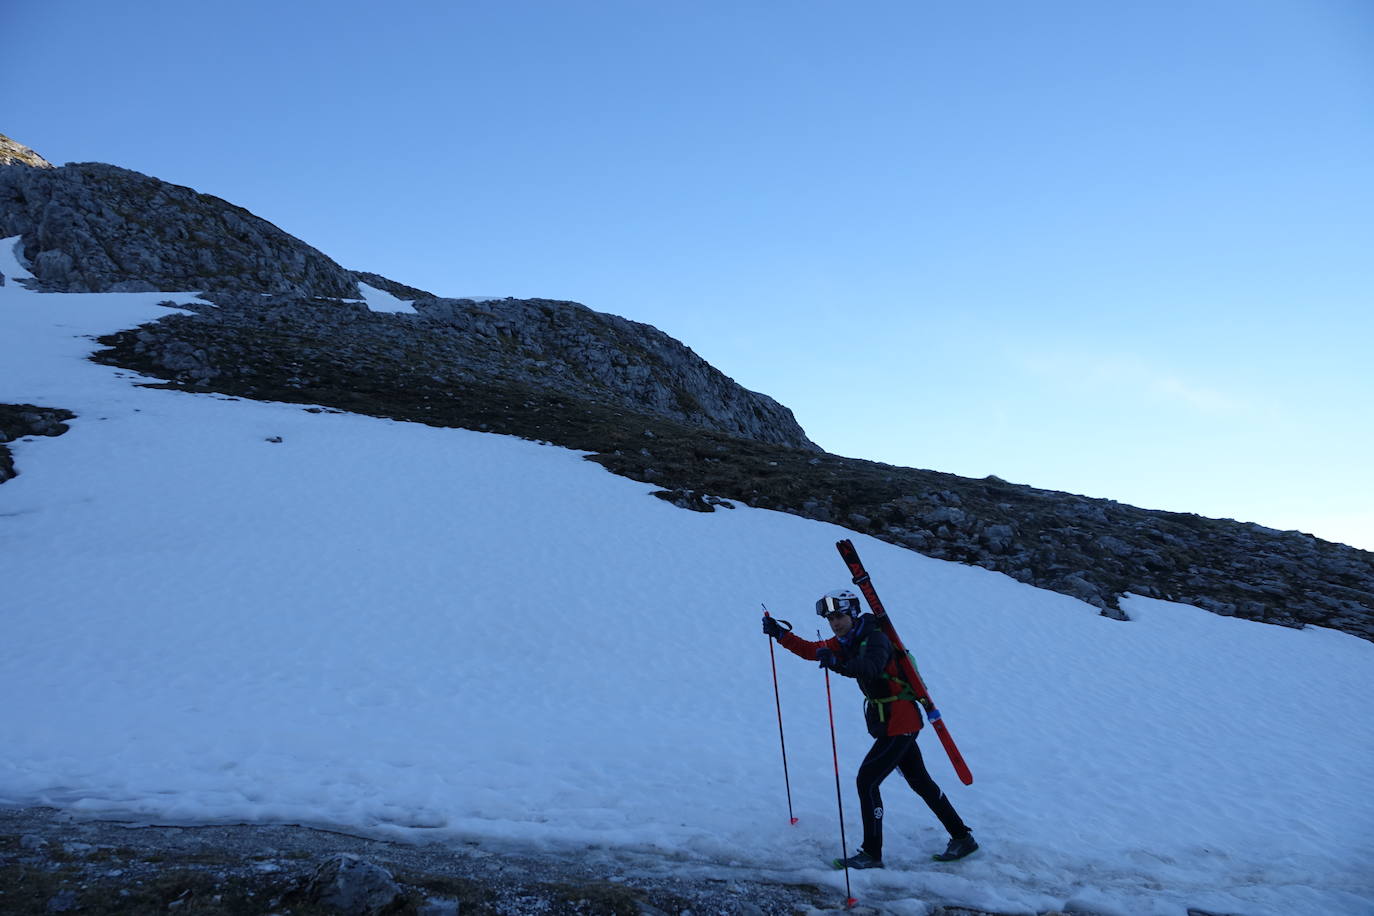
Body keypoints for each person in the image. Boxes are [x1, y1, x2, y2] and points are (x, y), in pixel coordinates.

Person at [762, 588, 977, 868]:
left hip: (900, 722)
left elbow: (870, 667)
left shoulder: (875, 638)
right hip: (891, 720)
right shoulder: (848, 639)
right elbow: (812, 651)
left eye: (839, 616)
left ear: (852, 613)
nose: (835, 623)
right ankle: (962, 837)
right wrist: (781, 634)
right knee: (920, 782)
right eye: (830, 619)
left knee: (867, 781)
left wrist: (837, 663)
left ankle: (871, 854)